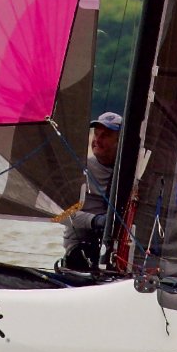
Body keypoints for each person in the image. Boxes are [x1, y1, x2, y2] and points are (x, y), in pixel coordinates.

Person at [60, 111, 121, 273]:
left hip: (118, 252)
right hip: (81, 249)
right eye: (96, 134)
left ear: (120, 141)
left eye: (105, 135)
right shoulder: (80, 168)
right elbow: (60, 214)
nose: (97, 140)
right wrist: (95, 221)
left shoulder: (131, 172)